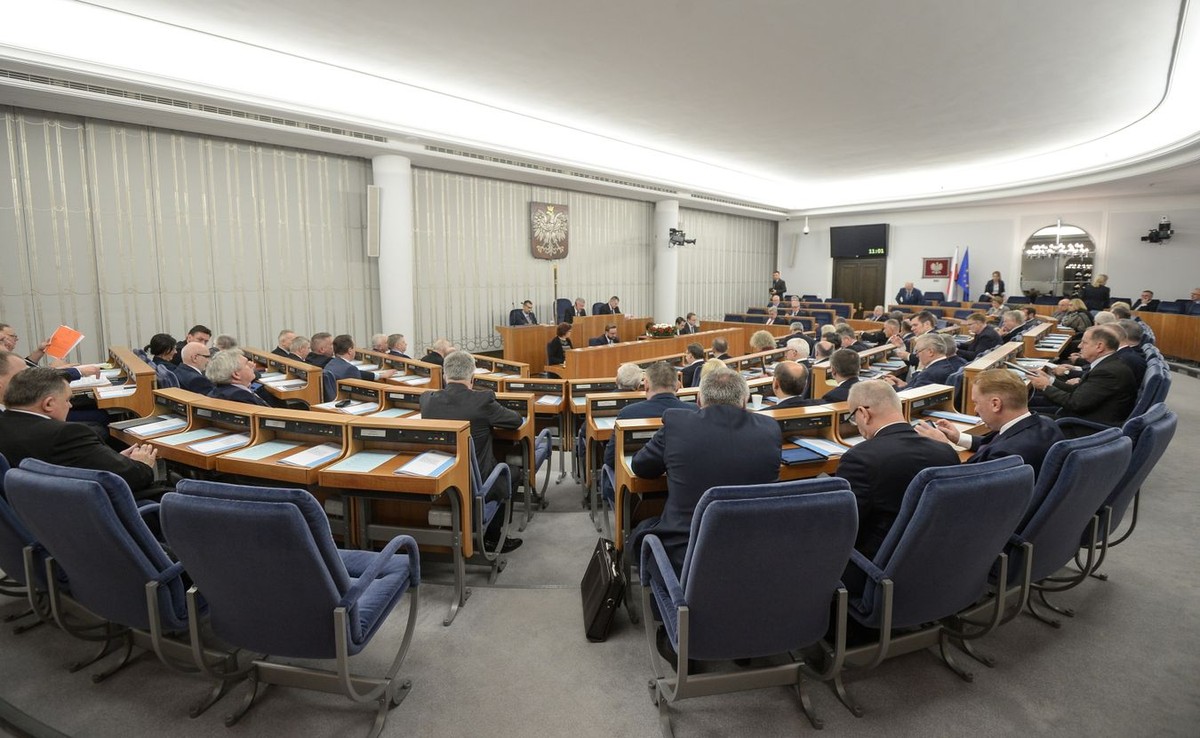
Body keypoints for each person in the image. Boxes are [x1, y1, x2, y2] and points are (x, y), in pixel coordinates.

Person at [630, 368, 781, 575]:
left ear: (699, 400)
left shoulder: (677, 423)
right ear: (745, 402)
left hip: (689, 559)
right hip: (755, 553)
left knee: (640, 530)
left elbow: (641, 466)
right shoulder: (770, 429)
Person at [834, 379, 959, 560]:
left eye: (853, 418)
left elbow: (843, 525)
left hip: (877, 563)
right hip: (938, 558)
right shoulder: (946, 451)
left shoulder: (859, 459)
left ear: (863, 413)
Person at [419, 351, 523, 552]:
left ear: (444, 376)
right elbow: (516, 421)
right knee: (512, 472)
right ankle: (493, 536)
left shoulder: (427, 400)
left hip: (442, 477)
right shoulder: (483, 400)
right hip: (476, 481)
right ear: (473, 378)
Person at [0, 368, 160, 497]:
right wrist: (142, 464)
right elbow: (133, 478)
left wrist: (114, 459)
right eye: (67, 400)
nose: (70, 406)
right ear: (48, 404)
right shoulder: (65, 434)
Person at [915, 368, 1063, 476]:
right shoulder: (1047, 424)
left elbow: (963, 480)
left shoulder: (1006, 455)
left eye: (976, 403)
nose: (975, 409)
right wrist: (959, 438)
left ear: (995, 404)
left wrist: (943, 447)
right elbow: (998, 442)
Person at [1027, 326, 1137, 431]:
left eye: (1084, 342)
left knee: (1023, 419)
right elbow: (1078, 391)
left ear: (1099, 346)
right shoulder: (1108, 364)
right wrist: (1049, 379)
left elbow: (1074, 403)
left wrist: (1045, 386)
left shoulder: (1108, 372)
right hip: (1080, 418)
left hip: (1086, 427)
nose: (1079, 346)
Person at [603, 361, 696, 469]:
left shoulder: (628, 413)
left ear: (646, 384)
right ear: (677, 385)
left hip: (639, 472)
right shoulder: (694, 411)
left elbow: (610, 459)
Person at [321, 334, 395, 402]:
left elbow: (358, 372)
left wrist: (380, 375)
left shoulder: (331, 363)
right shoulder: (350, 369)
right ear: (350, 351)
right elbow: (361, 394)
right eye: (354, 347)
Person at [883, 333, 954, 389]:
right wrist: (904, 384)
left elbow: (909, 397)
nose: (917, 355)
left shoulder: (928, 374)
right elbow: (915, 389)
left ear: (930, 352)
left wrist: (892, 386)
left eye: (918, 351)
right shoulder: (948, 366)